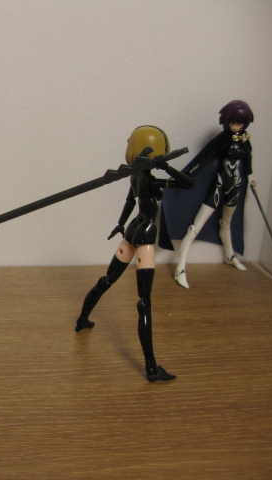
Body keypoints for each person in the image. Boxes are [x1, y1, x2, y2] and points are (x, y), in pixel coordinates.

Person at [74, 126, 193, 382]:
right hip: (146, 235)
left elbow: (130, 202)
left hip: (132, 230)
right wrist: (166, 167)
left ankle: (82, 320)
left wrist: (120, 224)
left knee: (107, 279)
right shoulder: (149, 179)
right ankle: (151, 369)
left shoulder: (136, 177)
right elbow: (188, 184)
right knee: (144, 301)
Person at [158, 100, 254, 288]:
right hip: (219, 186)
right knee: (195, 227)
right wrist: (184, 177)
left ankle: (230, 256)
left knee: (226, 223)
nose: (237, 126)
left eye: (241, 123)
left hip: (235, 186)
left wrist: (250, 177)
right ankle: (180, 269)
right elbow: (202, 159)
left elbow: (248, 161)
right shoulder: (223, 139)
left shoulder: (244, 139)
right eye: (234, 122)